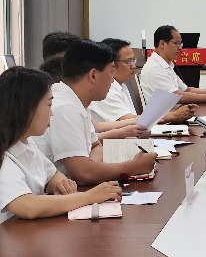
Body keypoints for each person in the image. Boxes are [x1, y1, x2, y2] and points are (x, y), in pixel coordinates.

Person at [0, 67, 121, 223]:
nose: (51, 113)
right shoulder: (4, 154)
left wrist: (61, 184)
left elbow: (52, 175)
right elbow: (27, 206)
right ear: (27, 108)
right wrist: (89, 197)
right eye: (49, 105)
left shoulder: (26, 142)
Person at [33, 40, 157, 184]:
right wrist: (134, 167)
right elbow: (83, 173)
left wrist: (92, 167)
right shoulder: (64, 107)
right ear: (93, 75)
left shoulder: (76, 100)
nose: (112, 80)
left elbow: (96, 146)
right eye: (111, 72)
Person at [89, 38, 196, 123]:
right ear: (112, 64)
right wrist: (173, 116)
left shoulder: (121, 85)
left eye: (133, 60)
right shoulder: (106, 90)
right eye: (128, 61)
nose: (133, 66)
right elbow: (128, 120)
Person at [140, 25, 206, 104]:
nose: (180, 48)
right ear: (162, 44)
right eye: (177, 43)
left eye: (181, 43)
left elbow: (187, 90)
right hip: (164, 117)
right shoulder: (154, 68)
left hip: (175, 112)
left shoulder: (166, 65)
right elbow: (177, 96)